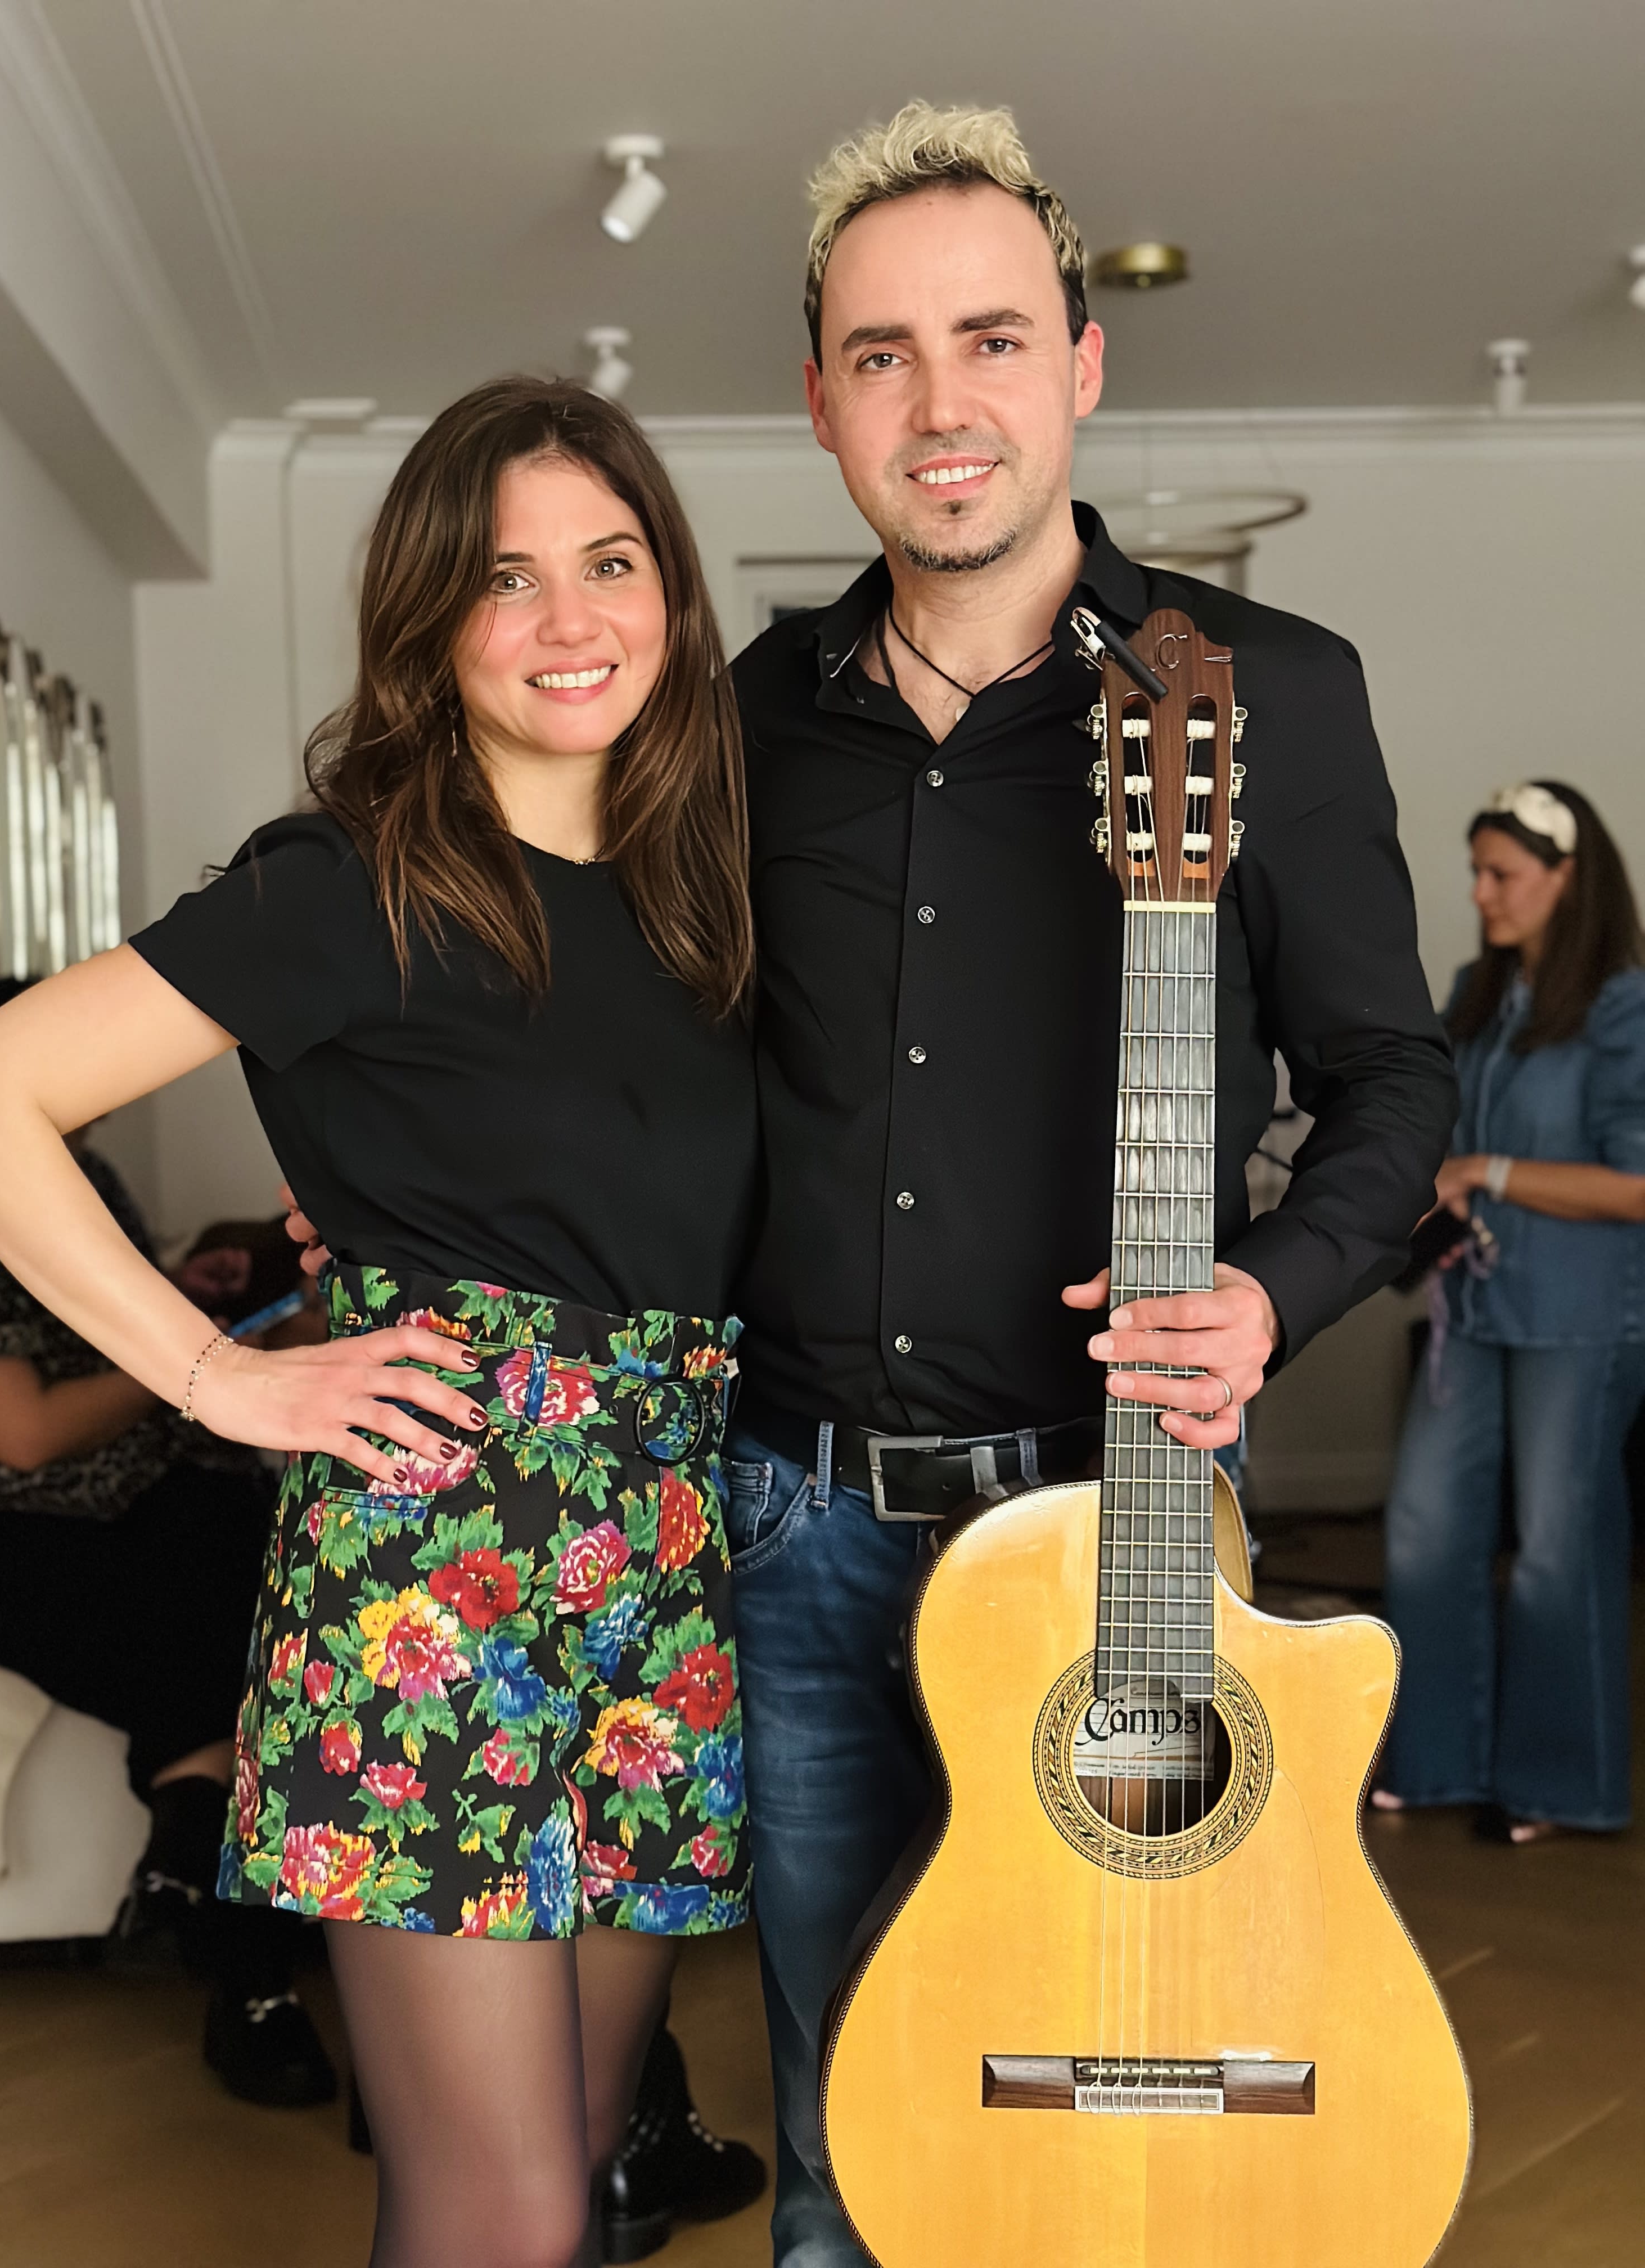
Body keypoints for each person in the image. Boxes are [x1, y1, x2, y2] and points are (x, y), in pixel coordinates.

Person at [718, 102, 1458, 2265]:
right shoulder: (741, 723)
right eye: (882, 356)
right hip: (802, 1527)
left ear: (1081, 366)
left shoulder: (1265, 692)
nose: (939, 405)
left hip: (1115, 1520)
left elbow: (1388, 1074)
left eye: (991, 340)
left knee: (1155, 2141)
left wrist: (1275, 1285)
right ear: (821, 401)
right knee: (851, 2138)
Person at [0, 377, 758, 2268]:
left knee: (583, 2168)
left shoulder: (699, 897)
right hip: (432, 1576)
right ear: (426, 619)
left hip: (660, 1569)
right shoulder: (345, 881)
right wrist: (217, 1373)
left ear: (671, 591)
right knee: (502, 2208)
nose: (569, 618)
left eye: (611, 562)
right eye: (505, 578)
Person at [0, 977, 335, 2105]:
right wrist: (195, 1359)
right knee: (233, 1668)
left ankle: (186, 1877)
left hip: (151, 1486)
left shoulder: (85, 1175)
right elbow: (21, 1435)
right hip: (3, 1525)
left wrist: (172, 1291)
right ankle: (240, 1968)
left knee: (272, 1603)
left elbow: (93, 1310)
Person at [1376, 781, 1645, 1843]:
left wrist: (1484, 1170)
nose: (1482, 893)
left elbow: (1637, 1184)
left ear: (1568, 880)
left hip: (1581, 1317)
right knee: (1424, 1526)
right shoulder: (1477, 997)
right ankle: (1435, 1759)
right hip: (1472, 1307)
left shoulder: (1624, 1008)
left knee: (1556, 1549)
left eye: (1503, 874)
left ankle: (1559, 1784)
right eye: (1477, 872)